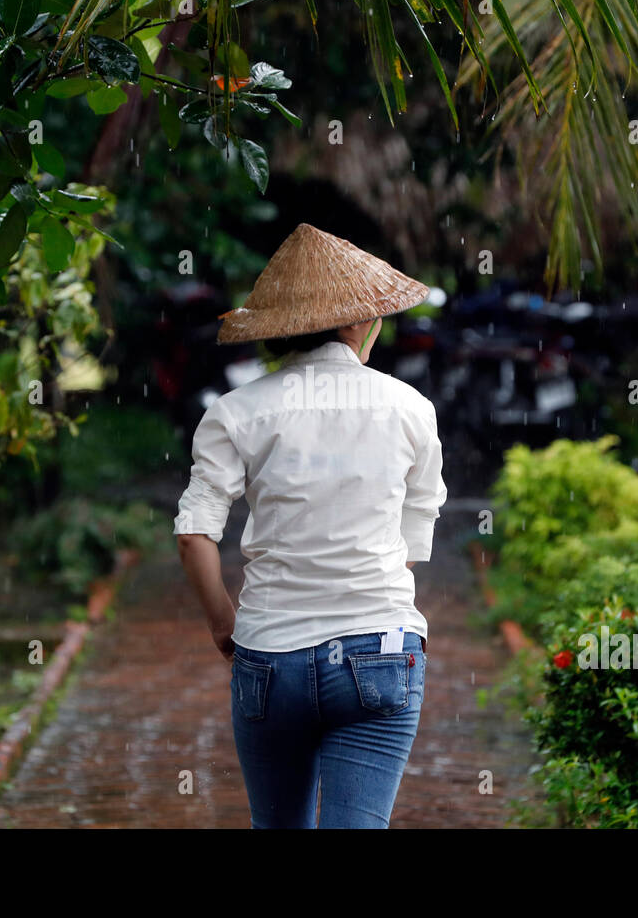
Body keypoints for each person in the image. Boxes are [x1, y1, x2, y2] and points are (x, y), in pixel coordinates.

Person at [173, 223, 447, 828]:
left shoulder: (236, 411)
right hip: (380, 654)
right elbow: (413, 531)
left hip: (270, 658)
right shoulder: (411, 409)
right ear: (357, 324)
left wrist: (226, 624)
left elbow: (195, 535)